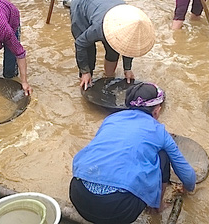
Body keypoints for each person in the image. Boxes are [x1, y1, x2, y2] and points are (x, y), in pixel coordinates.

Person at [70, 82, 196, 223]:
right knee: (163, 155)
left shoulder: (111, 119)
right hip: (118, 211)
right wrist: (187, 188)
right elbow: (187, 174)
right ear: (157, 111)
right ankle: (157, 207)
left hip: (78, 196)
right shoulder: (159, 131)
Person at [70, 0, 154, 89]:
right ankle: (85, 82)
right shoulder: (99, 28)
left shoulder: (133, 22)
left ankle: (108, 78)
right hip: (81, 7)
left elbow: (128, 46)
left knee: (114, 50)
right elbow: (80, 44)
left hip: (104, 2)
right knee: (89, 51)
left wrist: (127, 69)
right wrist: (85, 71)